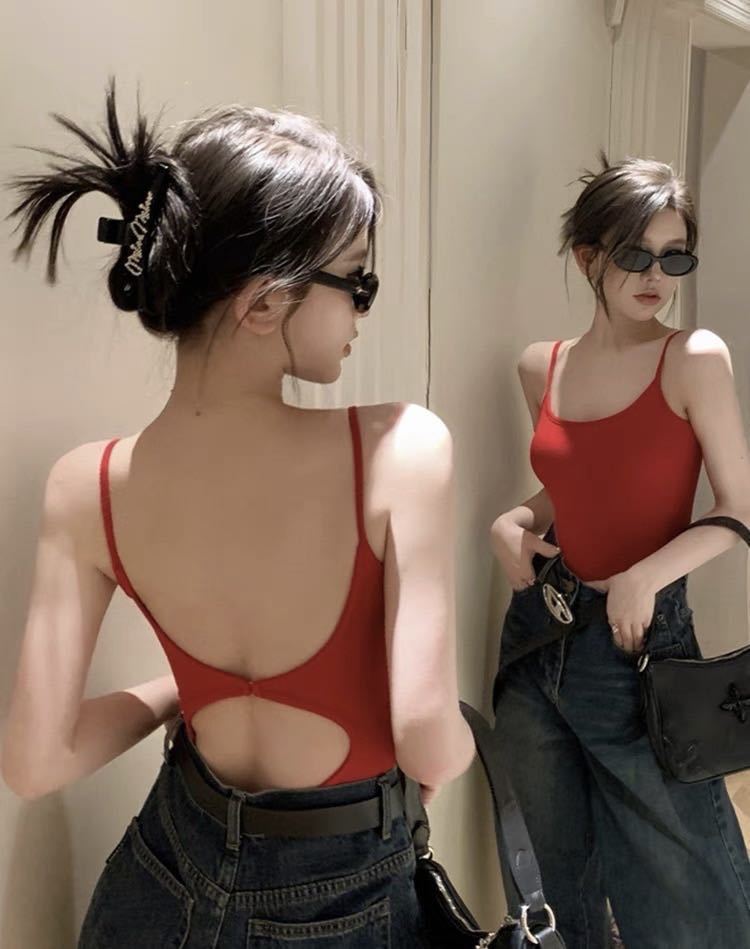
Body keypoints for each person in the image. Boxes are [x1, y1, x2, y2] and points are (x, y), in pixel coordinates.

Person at [1, 81, 475, 948]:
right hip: (340, 892)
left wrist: (176, 692)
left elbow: (35, 762)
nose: (362, 310)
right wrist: (458, 747)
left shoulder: (84, 485)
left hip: (160, 876)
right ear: (262, 303)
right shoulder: (402, 448)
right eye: (357, 280)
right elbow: (429, 743)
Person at [489, 154, 750, 948]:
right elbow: (576, 484)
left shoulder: (693, 357)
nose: (656, 275)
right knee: (553, 892)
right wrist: (513, 519)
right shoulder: (541, 365)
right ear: (588, 257)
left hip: (638, 646)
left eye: (675, 257)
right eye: (636, 254)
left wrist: (647, 574)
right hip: (538, 637)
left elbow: (738, 508)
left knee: (689, 909)